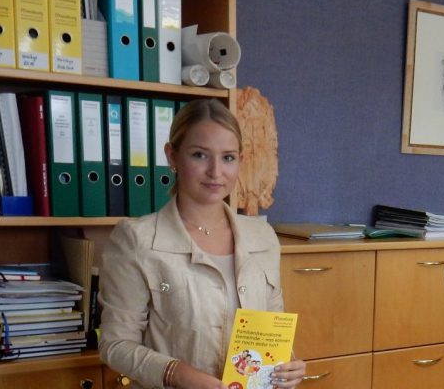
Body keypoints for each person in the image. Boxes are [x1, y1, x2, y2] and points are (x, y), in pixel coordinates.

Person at [99, 99, 307, 389]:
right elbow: (115, 344)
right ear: (172, 156)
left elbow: (272, 333)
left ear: (240, 160)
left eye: (228, 158)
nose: (215, 172)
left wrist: (287, 367)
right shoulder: (136, 240)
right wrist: (177, 373)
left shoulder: (263, 238)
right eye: (199, 155)